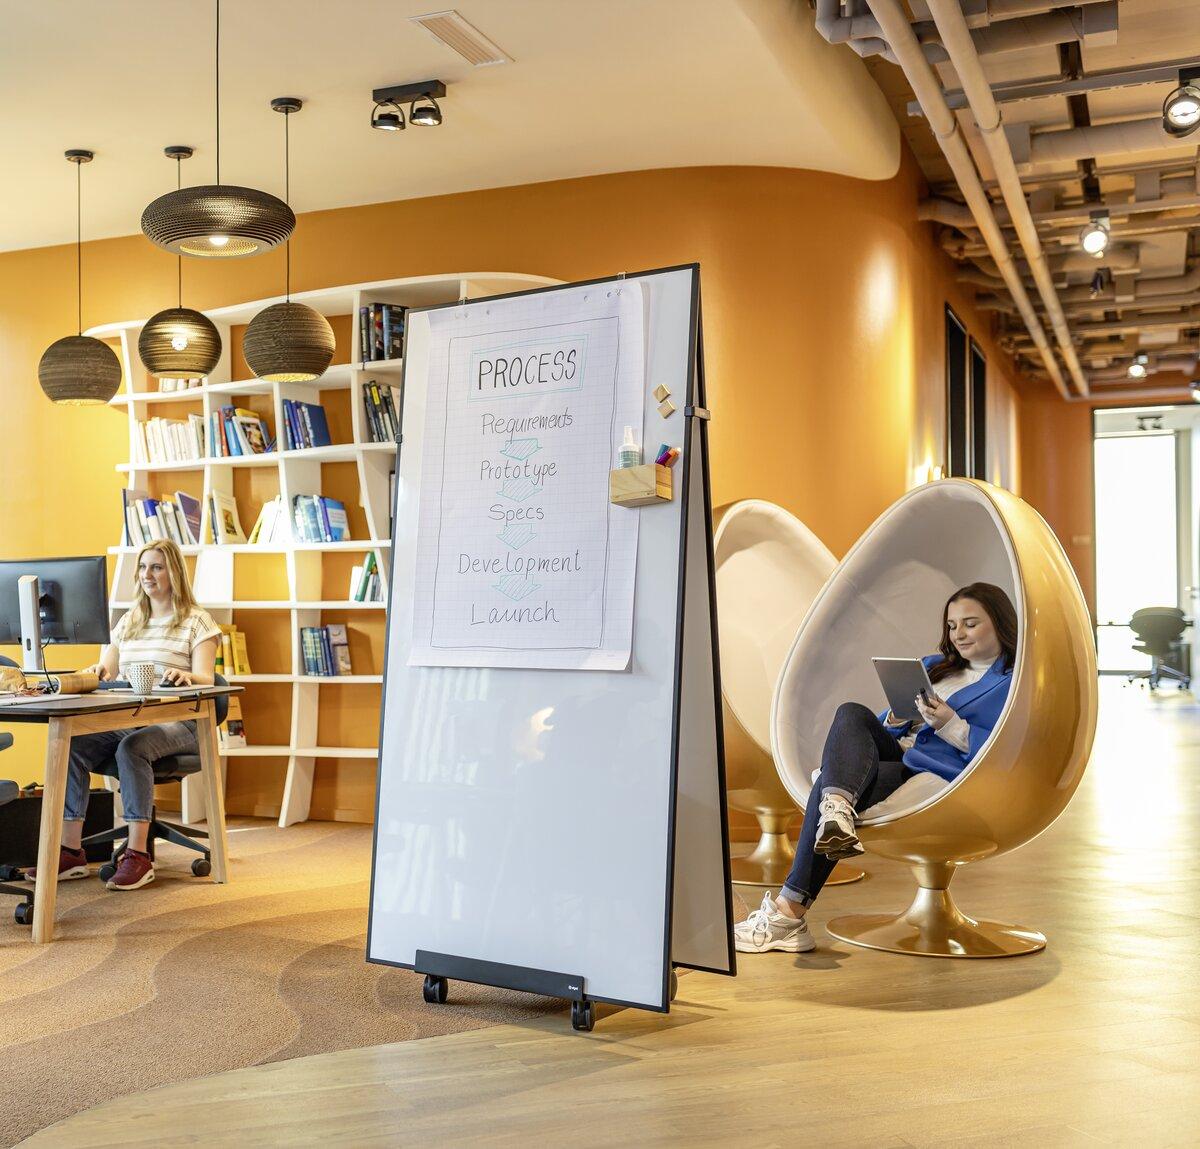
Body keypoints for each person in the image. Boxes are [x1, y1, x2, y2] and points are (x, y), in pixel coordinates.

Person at [734, 581, 1017, 954]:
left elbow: (1005, 750)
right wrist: (899, 718)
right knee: (852, 711)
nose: (958, 634)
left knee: (826, 789)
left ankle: (790, 911)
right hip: (896, 752)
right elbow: (880, 725)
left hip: (933, 772)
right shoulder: (935, 667)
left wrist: (951, 724)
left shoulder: (1010, 683)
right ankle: (837, 805)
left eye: (970, 623)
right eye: (952, 626)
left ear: (998, 624)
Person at [26, 539, 220, 892]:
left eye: (157, 566)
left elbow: (208, 678)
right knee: (74, 743)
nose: (148, 574)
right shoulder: (128, 621)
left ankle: (137, 855)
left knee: (133, 747)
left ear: (174, 572)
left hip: (184, 721)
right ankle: (70, 852)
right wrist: (94, 672)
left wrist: (189, 676)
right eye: (143, 567)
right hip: (131, 718)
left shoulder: (197, 621)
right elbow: (108, 669)